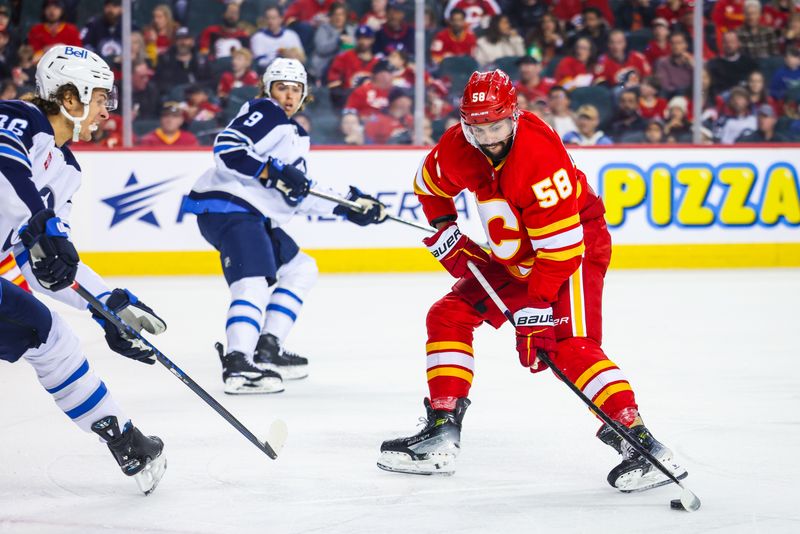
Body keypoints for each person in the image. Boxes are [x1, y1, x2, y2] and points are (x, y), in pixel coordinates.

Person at [377, 70, 687, 495]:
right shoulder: (456, 145)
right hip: (516, 257)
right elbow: (428, 186)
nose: (487, 137)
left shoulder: (540, 159)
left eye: (497, 126)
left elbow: (561, 253)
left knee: (570, 347)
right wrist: (446, 229)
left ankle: (641, 441)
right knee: (448, 316)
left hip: (573, 249)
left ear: (515, 116)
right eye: (478, 127)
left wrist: (537, 314)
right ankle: (442, 431)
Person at [0, 45, 167, 494]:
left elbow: (44, 264)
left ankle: (124, 438)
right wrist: (41, 221)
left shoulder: (67, 172)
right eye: (100, 99)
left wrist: (106, 304)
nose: (106, 111)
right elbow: (5, 159)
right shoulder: (15, 117)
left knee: (46, 331)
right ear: (69, 99)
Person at [179, 58, 388, 394]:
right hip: (231, 205)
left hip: (251, 212)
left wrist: (349, 206)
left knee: (301, 269)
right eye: (281, 88)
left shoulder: (292, 134)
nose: (288, 96)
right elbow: (227, 148)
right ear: (267, 88)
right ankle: (238, 364)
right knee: (252, 283)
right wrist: (271, 171)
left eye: (295, 90)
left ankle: (267, 348)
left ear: (304, 94)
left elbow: (297, 192)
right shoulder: (267, 112)